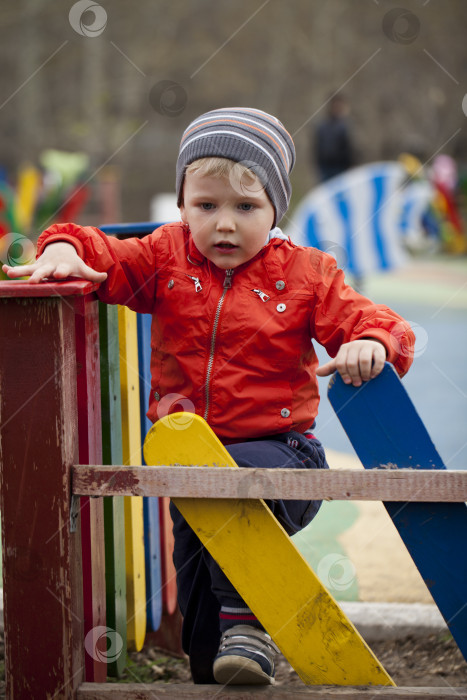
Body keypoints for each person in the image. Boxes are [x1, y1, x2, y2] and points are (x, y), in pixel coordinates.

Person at [3, 107, 415, 686]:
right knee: (203, 630)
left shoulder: (305, 274)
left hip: (281, 454)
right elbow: (105, 254)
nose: (225, 224)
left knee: (236, 497)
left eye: (246, 208)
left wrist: (371, 341)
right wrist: (65, 248)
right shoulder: (166, 258)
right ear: (181, 206)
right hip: (189, 467)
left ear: (276, 210)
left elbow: (379, 322)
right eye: (207, 206)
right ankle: (222, 657)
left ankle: (250, 627)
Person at [314, 93, 354, 182]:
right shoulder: (322, 126)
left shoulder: (344, 126)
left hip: (340, 168)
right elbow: (317, 147)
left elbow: (349, 149)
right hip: (325, 168)